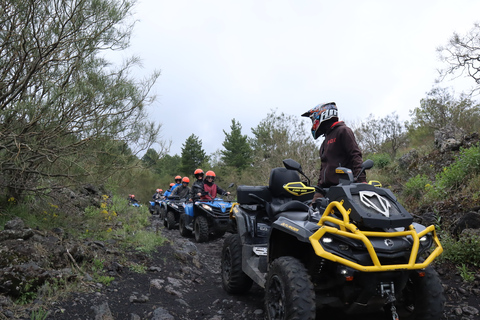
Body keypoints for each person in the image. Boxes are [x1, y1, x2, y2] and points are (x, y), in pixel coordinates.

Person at [301, 102, 365, 202]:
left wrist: (362, 182)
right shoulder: (324, 142)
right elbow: (323, 167)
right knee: (311, 213)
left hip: (343, 188)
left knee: (338, 217)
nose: (313, 122)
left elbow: (355, 155)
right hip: (324, 190)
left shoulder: (343, 131)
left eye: (313, 119)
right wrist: (318, 186)